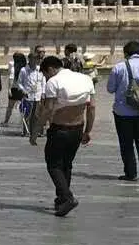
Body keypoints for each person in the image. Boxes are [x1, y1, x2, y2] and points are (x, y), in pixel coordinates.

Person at [29, 55, 96, 216]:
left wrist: (36, 131)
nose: (46, 78)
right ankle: (61, 199)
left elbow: (49, 109)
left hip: (59, 128)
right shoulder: (85, 79)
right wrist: (88, 130)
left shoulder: (54, 82)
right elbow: (92, 107)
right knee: (67, 164)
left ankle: (67, 197)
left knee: (53, 164)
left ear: (50, 69)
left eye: (45, 74)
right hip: (78, 128)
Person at [105, 40, 139, 181]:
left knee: (126, 144)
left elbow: (110, 89)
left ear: (126, 53)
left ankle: (130, 173)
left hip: (123, 112)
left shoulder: (119, 67)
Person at [17, 47, 46, 136]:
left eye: (36, 60)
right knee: (28, 114)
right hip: (28, 95)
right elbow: (19, 83)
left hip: (38, 95)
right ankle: (26, 131)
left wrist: (43, 92)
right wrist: (23, 90)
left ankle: (38, 131)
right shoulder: (23, 70)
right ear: (29, 60)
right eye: (33, 60)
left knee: (37, 115)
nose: (35, 62)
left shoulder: (40, 70)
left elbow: (43, 82)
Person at [3, 52, 28, 127]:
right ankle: (23, 122)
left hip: (14, 89)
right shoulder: (25, 67)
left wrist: (9, 89)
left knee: (10, 107)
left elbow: (11, 78)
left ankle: (6, 121)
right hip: (22, 89)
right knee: (23, 107)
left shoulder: (13, 66)